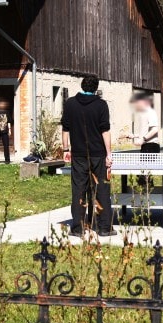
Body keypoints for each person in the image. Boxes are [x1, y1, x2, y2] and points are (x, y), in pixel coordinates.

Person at [61, 75, 117, 238]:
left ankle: (78, 228)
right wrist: (109, 153)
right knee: (101, 190)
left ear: (82, 85)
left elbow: (65, 128)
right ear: (96, 88)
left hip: (78, 155)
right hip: (98, 155)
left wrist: (66, 150)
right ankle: (104, 228)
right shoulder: (101, 105)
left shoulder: (70, 103)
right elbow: (104, 131)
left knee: (79, 189)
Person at [128, 92, 160, 188]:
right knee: (142, 174)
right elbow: (145, 132)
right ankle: (144, 197)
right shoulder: (143, 114)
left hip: (151, 146)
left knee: (145, 175)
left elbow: (155, 129)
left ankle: (148, 197)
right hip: (146, 146)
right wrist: (134, 136)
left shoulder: (151, 112)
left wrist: (143, 139)